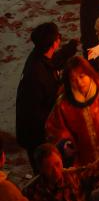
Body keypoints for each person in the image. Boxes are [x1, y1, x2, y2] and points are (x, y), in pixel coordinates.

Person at [15, 22, 78, 169]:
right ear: (54, 43)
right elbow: (35, 113)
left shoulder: (39, 56)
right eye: (58, 37)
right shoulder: (36, 75)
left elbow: (52, 62)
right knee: (46, 170)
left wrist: (68, 50)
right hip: (36, 135)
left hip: (37, 129)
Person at [46, 56, 99, 165]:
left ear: (89, 73)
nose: (79, 83)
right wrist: (65, 145)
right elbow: (54, 129)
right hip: (86, 164)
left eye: (82, 76)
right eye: (73, 80)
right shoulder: (64, 105)